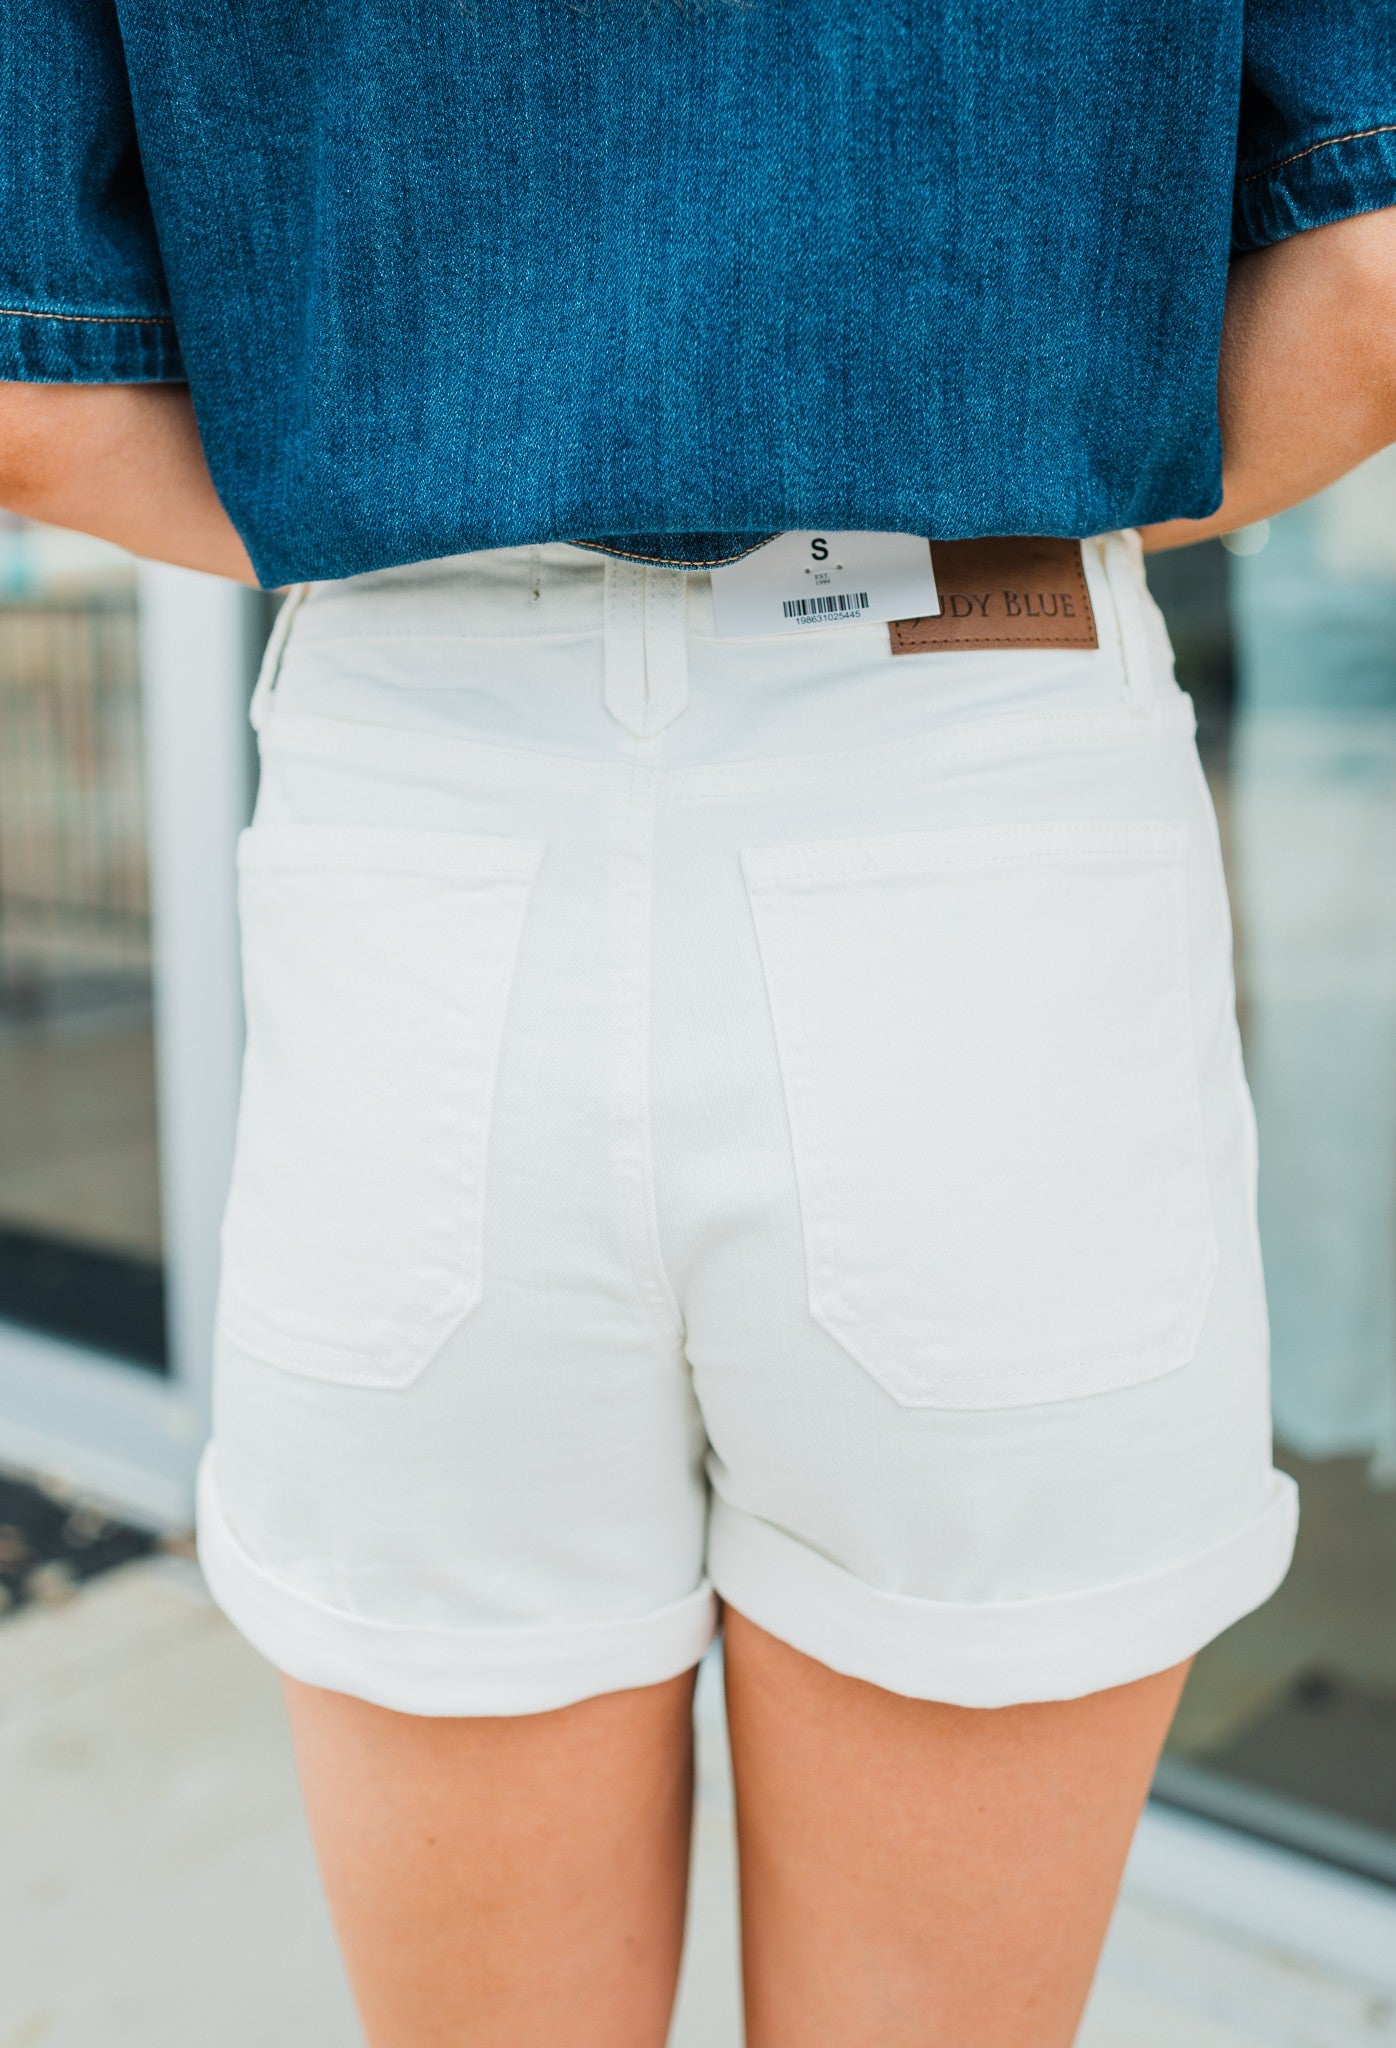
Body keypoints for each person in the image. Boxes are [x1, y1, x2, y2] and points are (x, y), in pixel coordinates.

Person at [1, 5, 1393, 2043]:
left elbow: (33, 393)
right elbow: (1372, 279)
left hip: (430, 794)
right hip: (971, 778)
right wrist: (1010, 504)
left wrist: (415, 514)